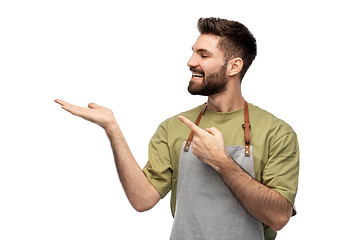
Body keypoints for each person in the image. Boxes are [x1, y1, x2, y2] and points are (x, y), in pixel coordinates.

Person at [55, 17, 299, 240]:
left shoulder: (276, 132)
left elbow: (278, 217)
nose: (190, 62)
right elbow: (142, 200)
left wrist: (221, 161)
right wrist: (112, 128)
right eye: (193, 53)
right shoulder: (174, 126)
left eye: (203, 55)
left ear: (234, 66)